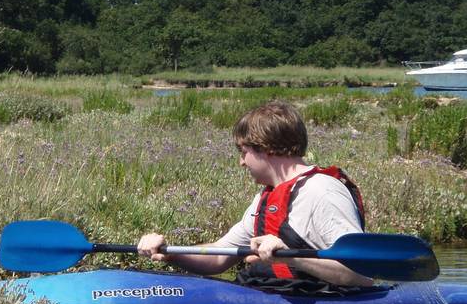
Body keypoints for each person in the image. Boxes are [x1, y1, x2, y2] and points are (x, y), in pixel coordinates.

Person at [137, 100, 373, 291]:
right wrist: (170, 253)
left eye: (244, 152)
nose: (241, 162)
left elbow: (361, 274)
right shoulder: (268, 197)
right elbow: (219, 257)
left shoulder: (322, 191)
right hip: (272, 296)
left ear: (266, 148)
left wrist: (289, 258)